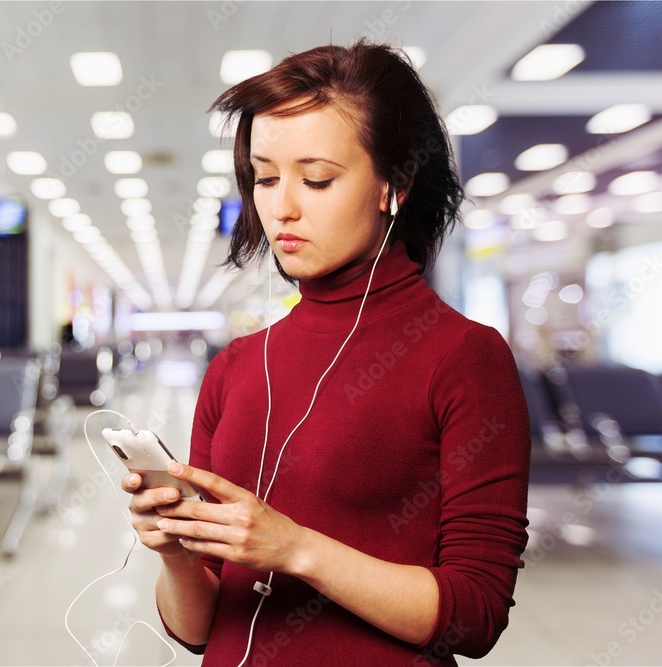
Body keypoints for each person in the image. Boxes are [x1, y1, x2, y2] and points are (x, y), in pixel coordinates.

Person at [122, 41, 530, 666]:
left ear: (393, 184)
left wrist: (295, 550)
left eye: (316, 179)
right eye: (264, 178)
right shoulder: (235, 365)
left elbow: (474, 616)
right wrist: (177, 552)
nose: (282, 206)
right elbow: (199, 630)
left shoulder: (463, 356)